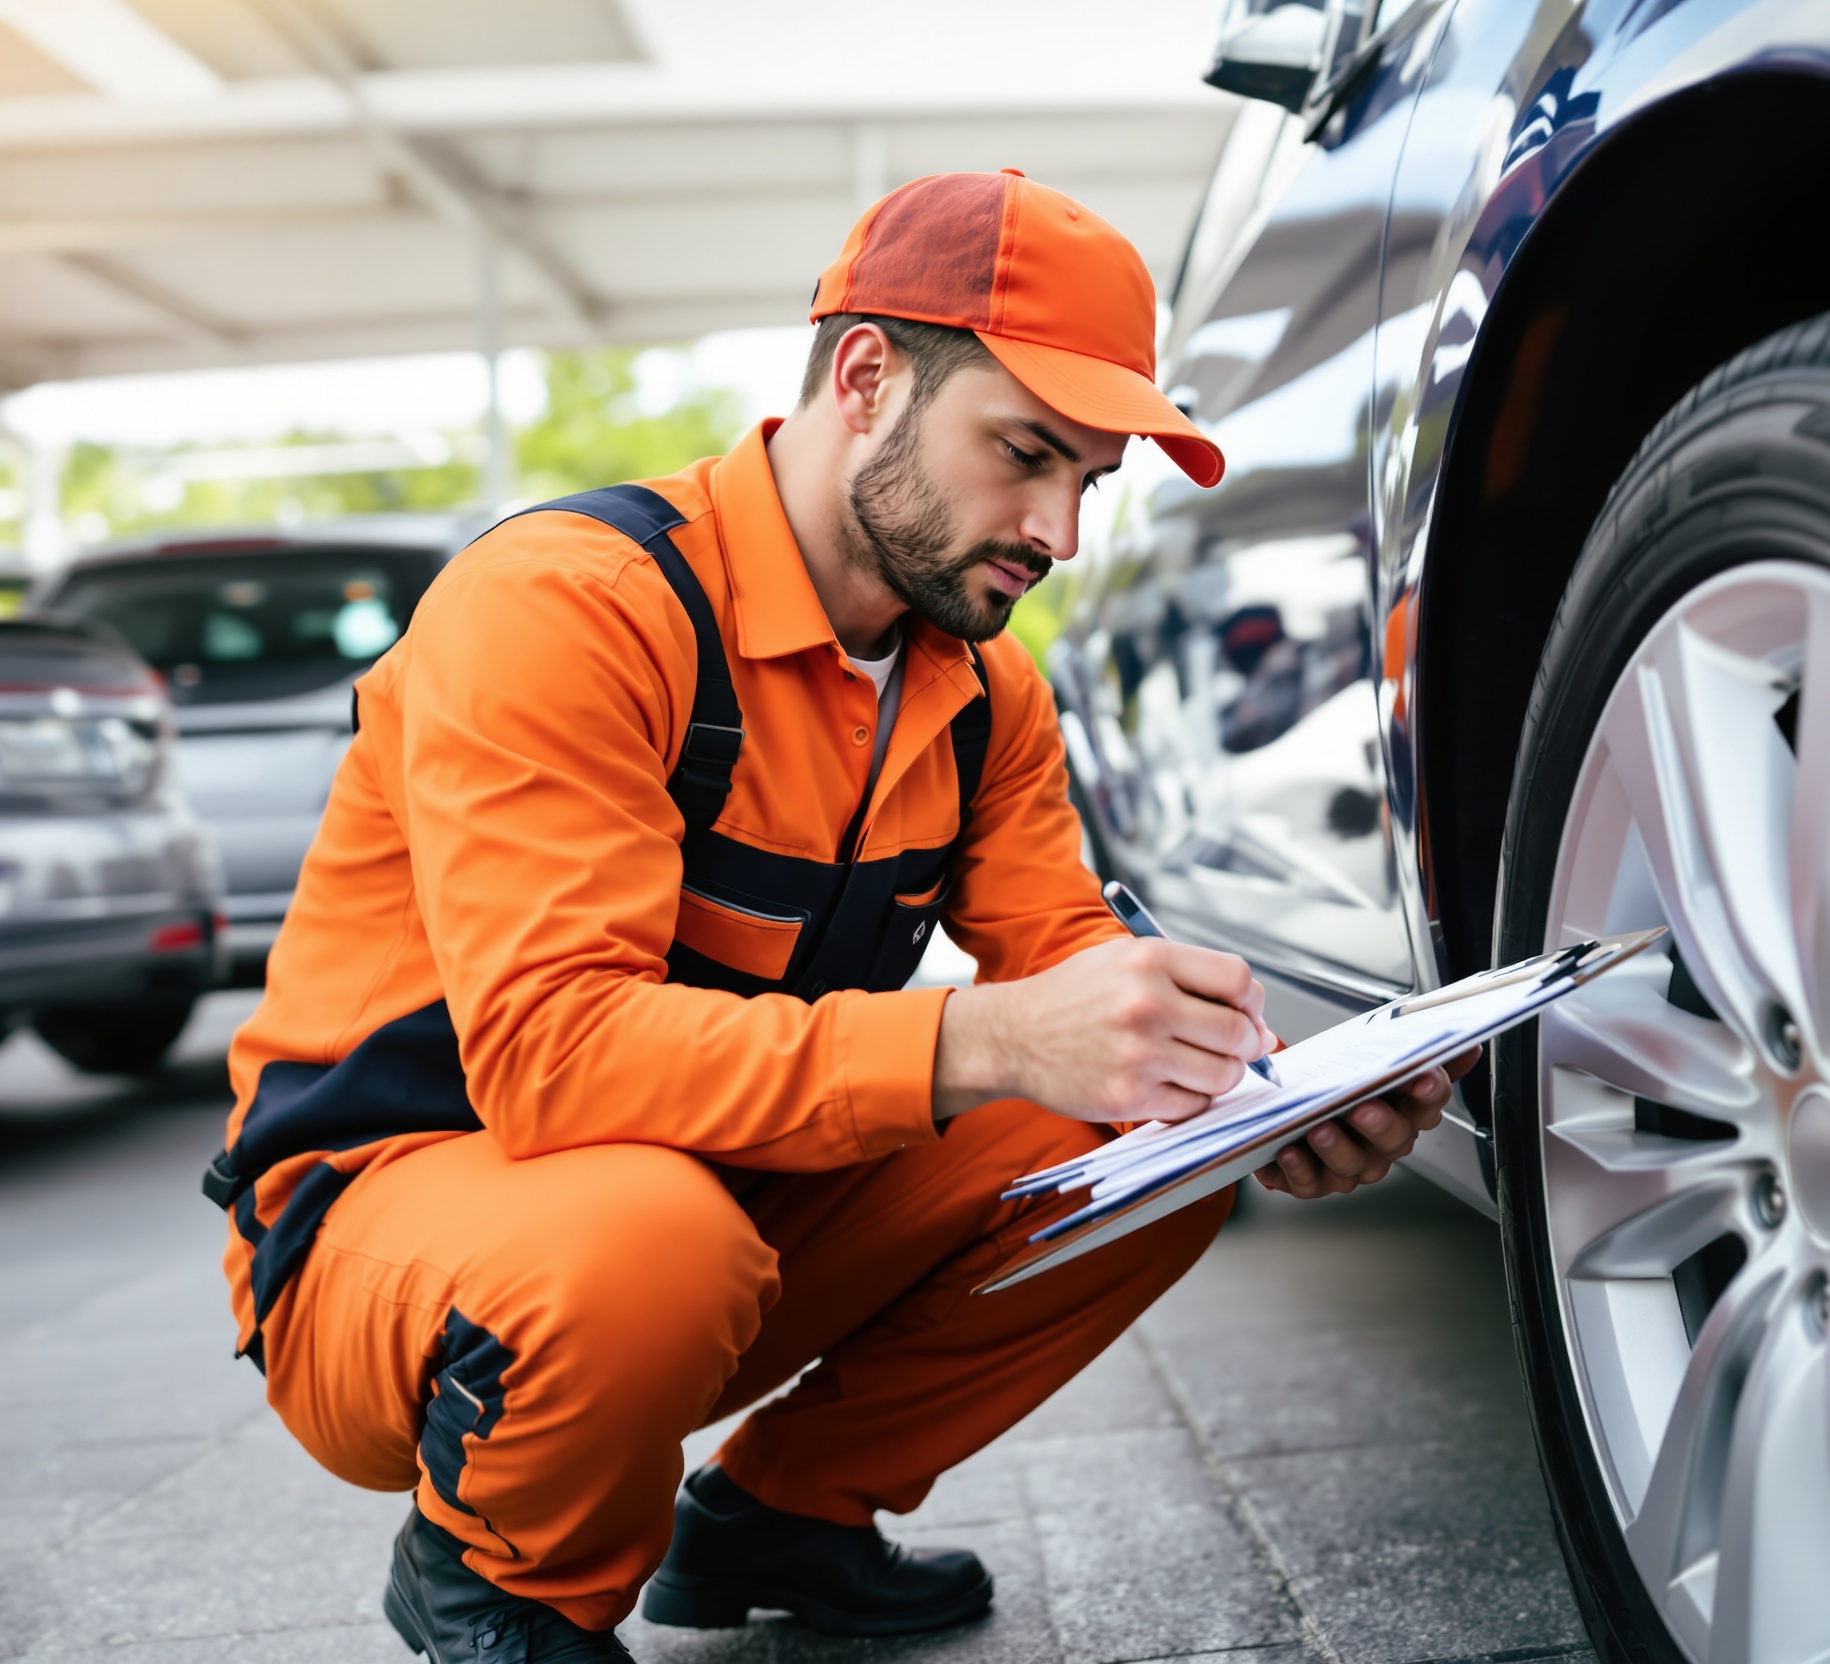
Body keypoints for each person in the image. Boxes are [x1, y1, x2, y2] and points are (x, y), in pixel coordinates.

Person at [202, 168, 1468, 1663]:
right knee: (650, 1245)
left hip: (707, 1206)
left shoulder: (985, 694)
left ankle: (785, 1516)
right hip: (399, 1234)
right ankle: (502, 1576)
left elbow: (1071, 971)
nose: (1058, 526)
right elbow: (553, 1062)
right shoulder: (570, 604)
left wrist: (1251, 1090)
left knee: (1152, 1132)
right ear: (865, 377)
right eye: (1025, 453)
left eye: (1092, 479)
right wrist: (985, 1037)